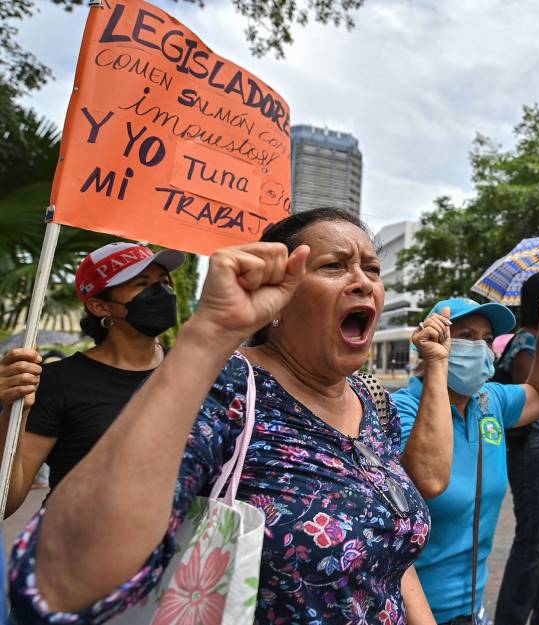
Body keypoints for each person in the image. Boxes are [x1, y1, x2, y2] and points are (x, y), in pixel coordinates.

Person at [6, 208, 448, 624]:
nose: (362, 282)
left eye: (371, 268)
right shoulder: (224, 386)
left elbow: (388, 544)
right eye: (334, 266)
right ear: (277, 298)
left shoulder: (374, 402)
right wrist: (208, 335)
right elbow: (64, 576)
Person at [393, 290, 539, 625]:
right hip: (414, 612)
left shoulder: (490, 402)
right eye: (467, 336)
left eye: (487, 338)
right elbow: (426, 479)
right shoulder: (402, 410)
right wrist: (436, 367)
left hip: (473, 611)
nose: (480, 347)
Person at [0, 242, 185, 516]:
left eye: (162, 282)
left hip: (176, 551)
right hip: (79, 547)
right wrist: (14, 411)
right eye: (142, 284)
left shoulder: (189, 370)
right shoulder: (58, 382)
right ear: (100, 306)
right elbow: (6, 501)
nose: (161, 293)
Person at [495, 273, 539, 625]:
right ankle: (512, 617)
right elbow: (529, 392)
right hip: (533, 445)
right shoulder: (525, 341)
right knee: (533, 540)